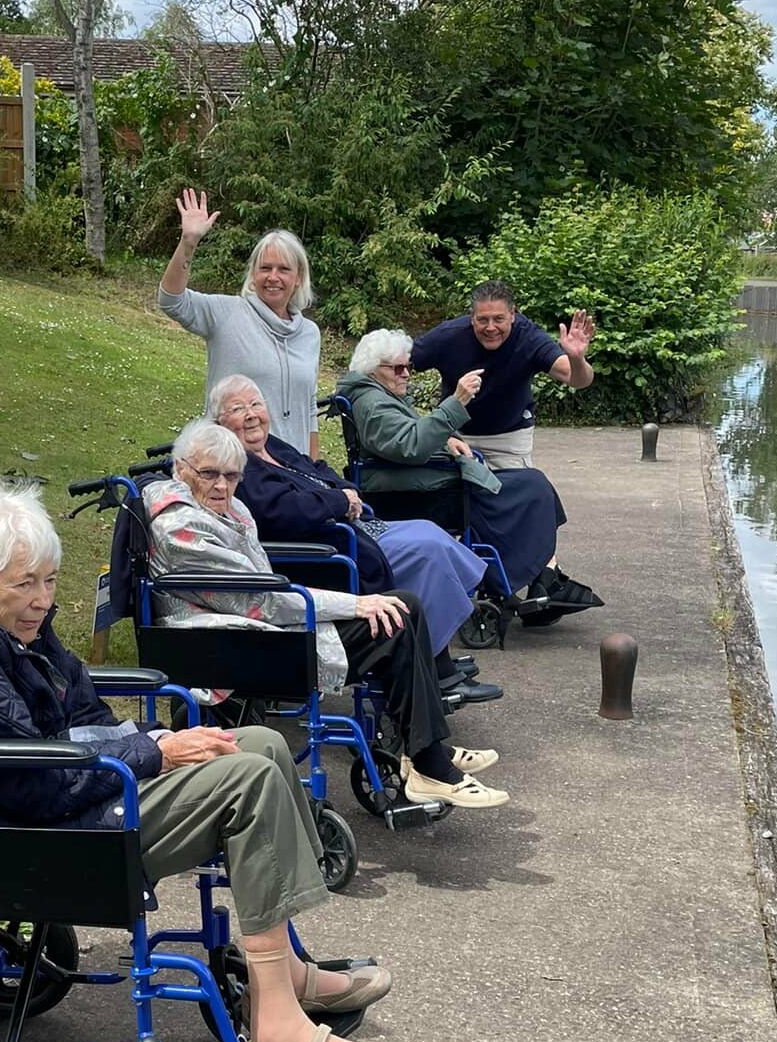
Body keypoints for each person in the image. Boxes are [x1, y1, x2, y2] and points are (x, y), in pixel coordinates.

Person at [0, 481, 409, 1042]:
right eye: (24, 584)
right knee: (248, 776)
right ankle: (279, 1035)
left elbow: (78, 714)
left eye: (49, 581)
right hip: (32, 831)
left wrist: (147, 750)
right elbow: (27, 782)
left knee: (256, 744)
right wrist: (152, 750)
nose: (42, 601)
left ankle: (285, 971)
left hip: (61, 798)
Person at [146, 421, 511, 804]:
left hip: (257, 628)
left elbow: (264, 594)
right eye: (209, 474)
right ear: (181, 468)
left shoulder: (227, 507)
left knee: (403, 605)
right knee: (393, 622)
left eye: (232, 476)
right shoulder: (180, 526)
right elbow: (259, 599)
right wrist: (354, 604)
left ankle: (425, 754)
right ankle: (429, 762)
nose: (221, 486)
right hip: (228, 645)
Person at [207, 374, 501, 705]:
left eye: (256, 404)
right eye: (238, 408)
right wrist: (339, 501)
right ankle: (437, 668)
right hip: (327, 548)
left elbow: (317, 468)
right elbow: (278, 511)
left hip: (352, 527)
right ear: (219, 421)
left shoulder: (272, 445)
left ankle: (436, 651)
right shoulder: (234, 464)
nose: (250, 414)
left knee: (428, 530)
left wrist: (346, 493)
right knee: (426, 552)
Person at [335, 328, 603, 619]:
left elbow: (407, 434)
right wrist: (456, 401)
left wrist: (446, 438)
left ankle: (542, 576)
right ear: (373, 370)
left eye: (407, 366)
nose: (406, 374)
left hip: (425, 480)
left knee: (535, 486)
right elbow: (410, 445)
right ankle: (523, 577)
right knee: (533, 487)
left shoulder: (376, 396)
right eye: (397, 368)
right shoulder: (374, 403)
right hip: (423, 490)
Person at [158, 189, 323, 459]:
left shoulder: (309, 334)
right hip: (234, 466)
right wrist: (188, 243)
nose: (273, 277)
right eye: (265, 268)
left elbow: (308, 409)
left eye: (283, 269)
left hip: (292, 471)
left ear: (298, 278)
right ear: (252, 273)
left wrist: (315, 470)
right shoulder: (227, 313)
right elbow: (171, 300)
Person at [411, 279, 596, 470]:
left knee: (512, 495)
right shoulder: (448, 336)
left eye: (499, 319)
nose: (491, 328)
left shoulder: (529, 337)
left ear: (512, 314)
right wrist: (421, 423)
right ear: (472, 317)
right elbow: (396, 365)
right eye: (483, 320)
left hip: (509, 440)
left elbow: (578, 380)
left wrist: (576, 358)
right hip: (454, 435)